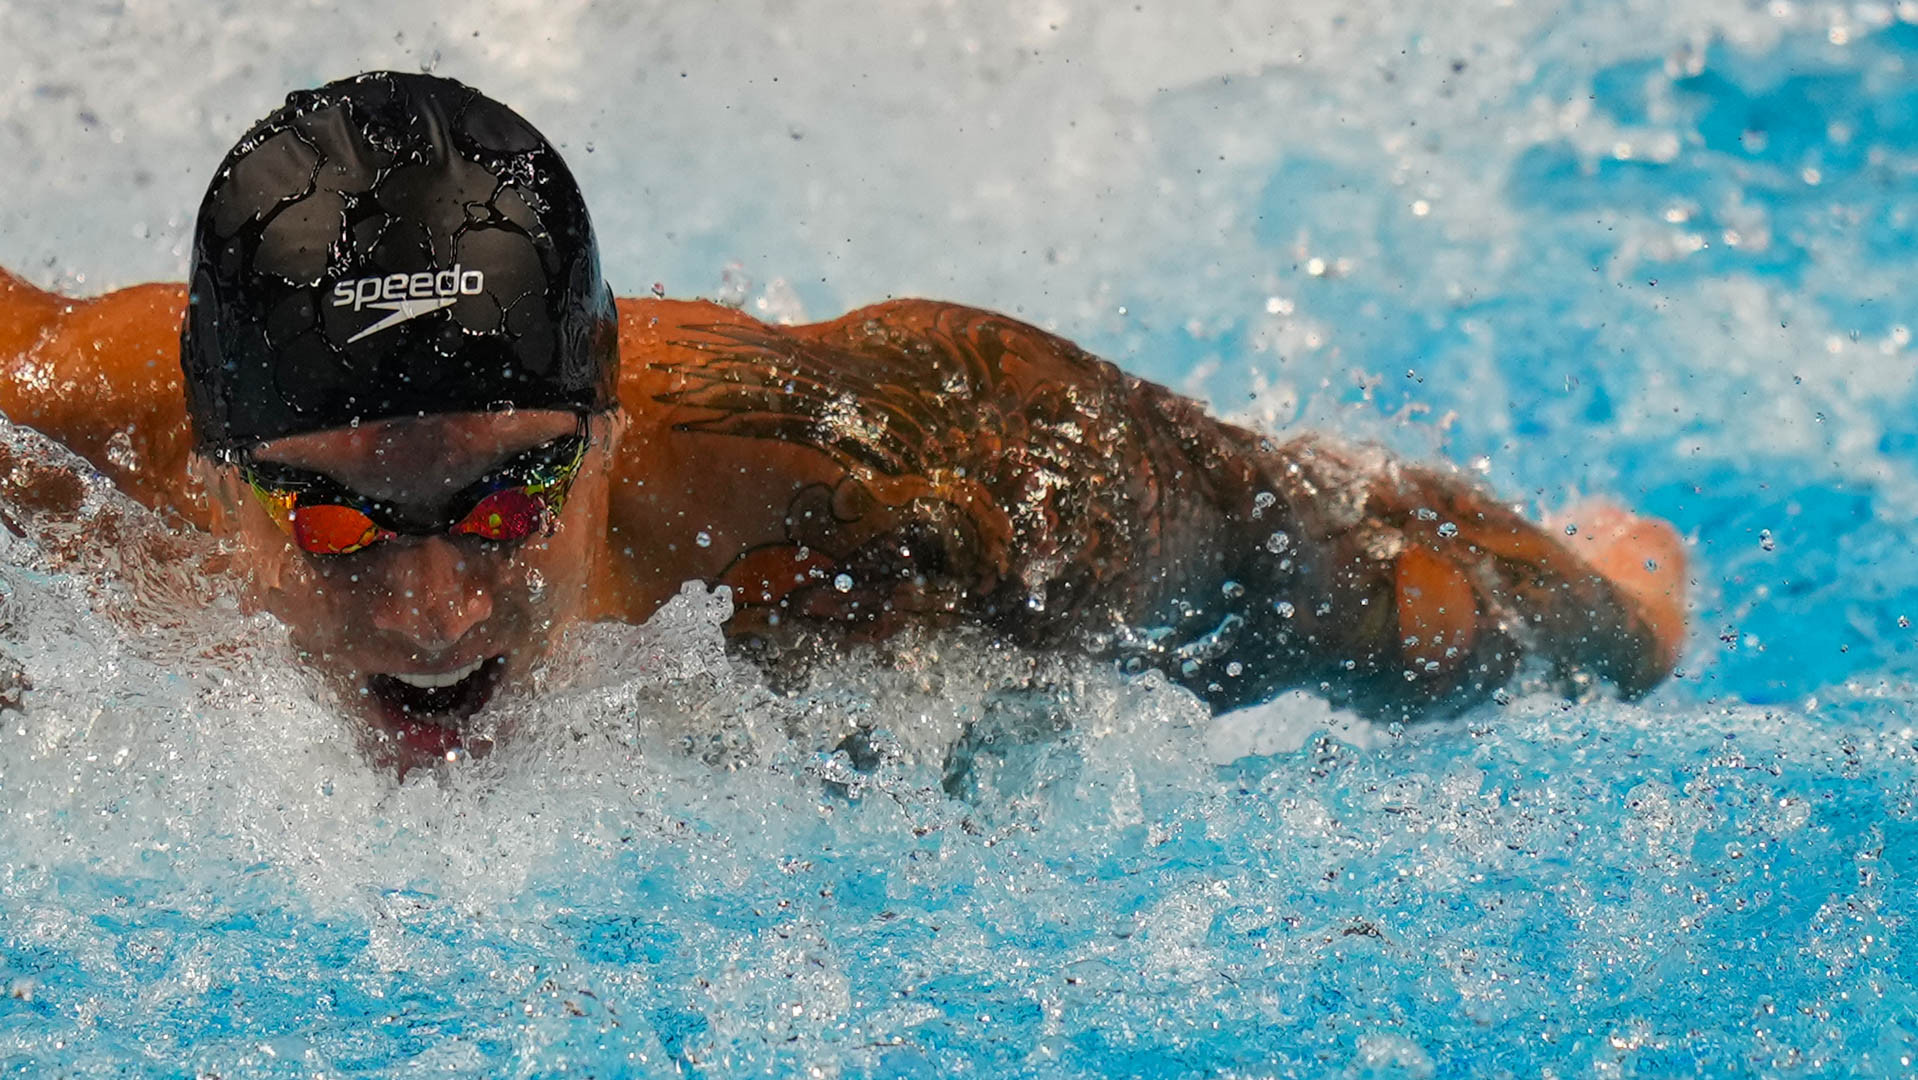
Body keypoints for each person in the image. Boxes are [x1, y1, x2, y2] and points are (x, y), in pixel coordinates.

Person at [0, 72, 1686, 774]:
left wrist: (1609, 619)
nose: (432, 622)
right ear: (212, 474)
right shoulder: (49, 453)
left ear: (600, 438)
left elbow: (1299, 559)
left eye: (505, 507)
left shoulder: (865, 475)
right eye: (341, 524)